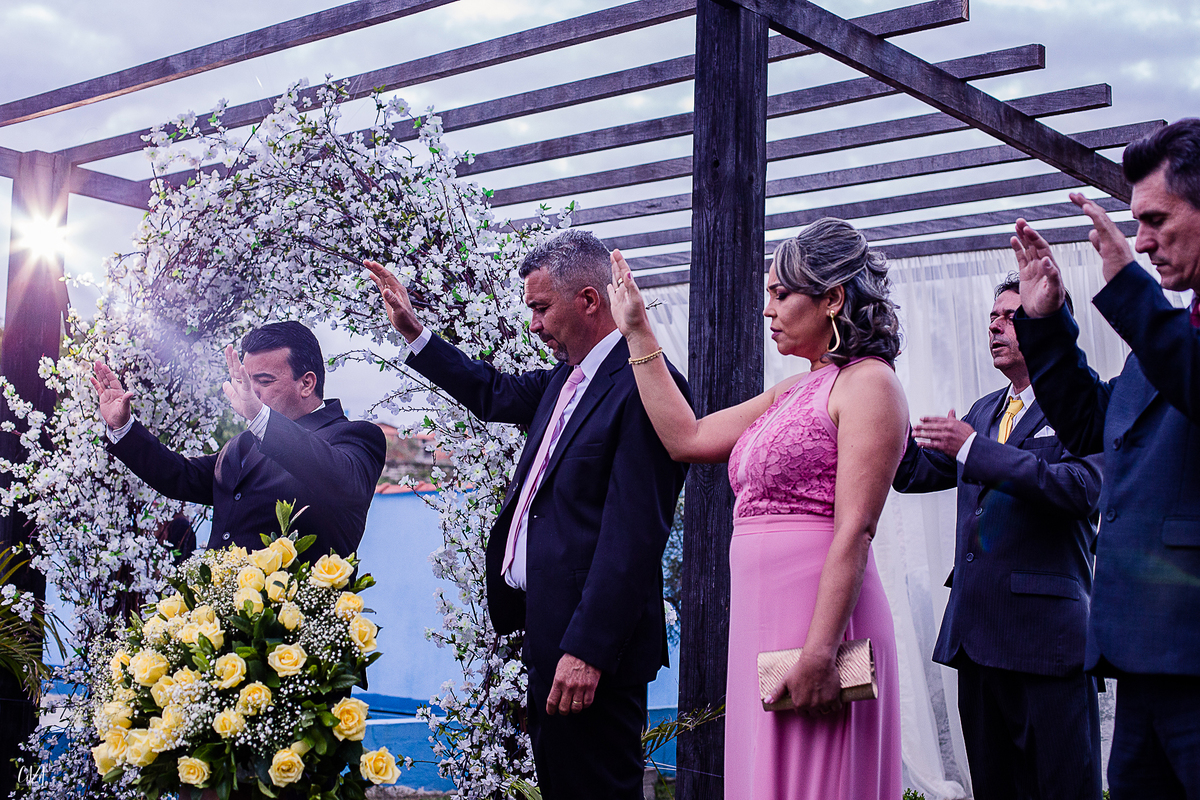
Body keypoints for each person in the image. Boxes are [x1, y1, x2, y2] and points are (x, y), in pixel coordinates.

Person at [364, 230, 688, 800]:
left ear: (589, 300)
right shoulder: (565, 379)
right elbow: (489, 392)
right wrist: (415, 333)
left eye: (541, 308)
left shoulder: (644, 385)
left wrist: (587, 649)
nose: (533, 325)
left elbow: (634, 535)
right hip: (547, 632)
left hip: (593, 651)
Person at [609, 217, 905, 799]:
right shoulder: (792, 390)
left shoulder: (869, 384)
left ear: (832, 300)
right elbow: (686, 438)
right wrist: (638, 333)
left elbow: (856, 528)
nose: (767, 310)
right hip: (762, 622)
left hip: (823, 624)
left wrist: (821, 651)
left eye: (780, 293)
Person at [1011, 118, 1200, 798]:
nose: (1143, 241)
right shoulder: (1171, 337)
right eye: (1136, 226)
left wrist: (1126, 285)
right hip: (1142, 658)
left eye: (1156, 220)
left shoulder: (1169, 335)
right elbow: (1095, 421)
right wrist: (1047, 321)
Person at [893, 276, 1104, 800]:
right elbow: (913, 473)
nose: (994, 326)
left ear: (1048, 323)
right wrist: (875, 394)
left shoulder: (1083, 404)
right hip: (977, 640)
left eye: (1010, 316)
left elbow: (1080, 490)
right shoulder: (984, 410)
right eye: (992, 317)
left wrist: (975, 451)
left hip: (1048, 642)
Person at [91, 321, 386, 559]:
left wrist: (260, 418)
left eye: (264, 381)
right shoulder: (242, 445)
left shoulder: (355, 437)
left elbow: (341, 478)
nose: (250, 391)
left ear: (306, 383)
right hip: (219, 623)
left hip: (295, 626)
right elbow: (180, 476)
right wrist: (124, 428)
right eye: (246, 380)